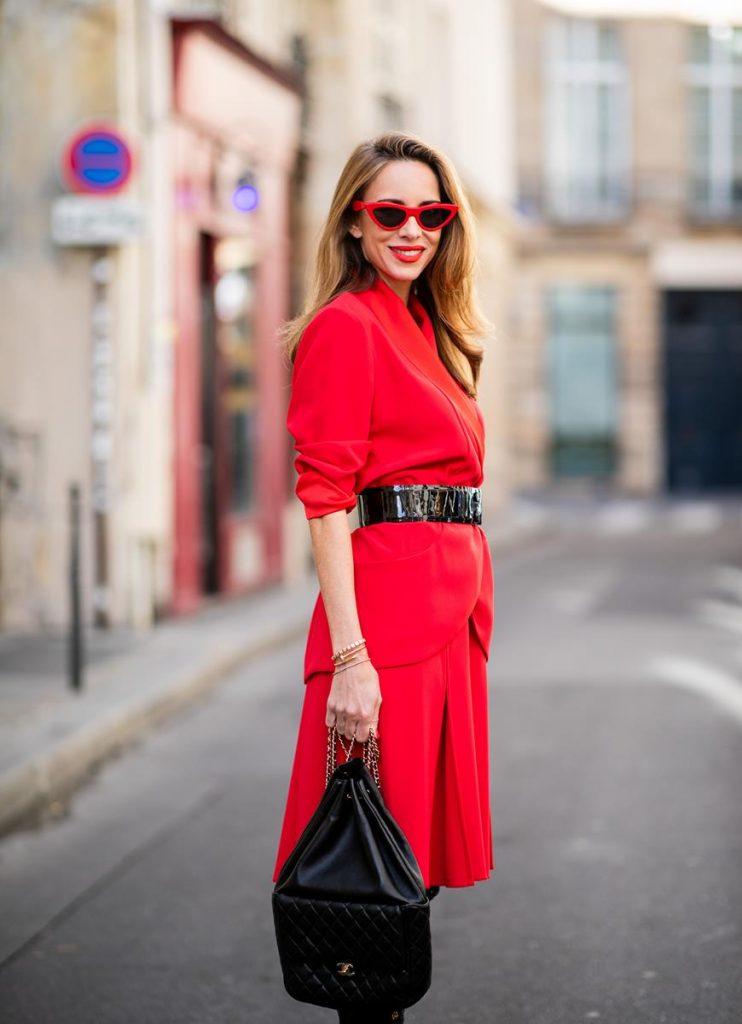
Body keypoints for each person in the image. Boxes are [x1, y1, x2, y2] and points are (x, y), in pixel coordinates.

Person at [272, 130, 496, 1024]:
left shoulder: (428, 327)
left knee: (407, 876)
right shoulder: (344, 327)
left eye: (430, 214)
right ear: (355, 225)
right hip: (390, 629)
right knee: (367, 886)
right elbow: (326, 497)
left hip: (449, 616)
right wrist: (352, 657)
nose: (412, 229)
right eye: (390, 212)